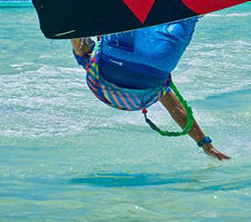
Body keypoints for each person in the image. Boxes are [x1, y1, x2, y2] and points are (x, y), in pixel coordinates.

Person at [71, 17, 230, 160]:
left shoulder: (150, 91)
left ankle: (192, 7)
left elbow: (176, 109)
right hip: (116, 57)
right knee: (123, 15)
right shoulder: (90, 64)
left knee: (187, 16)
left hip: (158, 66)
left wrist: (205, 144)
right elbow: (78, 40)